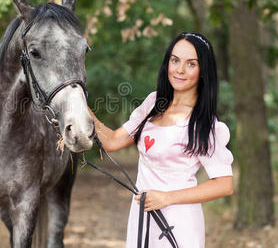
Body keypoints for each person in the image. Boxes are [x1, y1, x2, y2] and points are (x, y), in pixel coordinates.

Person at [88, 32, 234, 248]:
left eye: (191, 64)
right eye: (175, 60)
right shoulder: (154, 103)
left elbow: (224, 185)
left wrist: (167, 198)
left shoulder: (204, 124)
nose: (180, 70)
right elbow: (111, 141)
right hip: (141, 216)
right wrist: (78, 105)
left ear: (203, 71)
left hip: (178, 221)